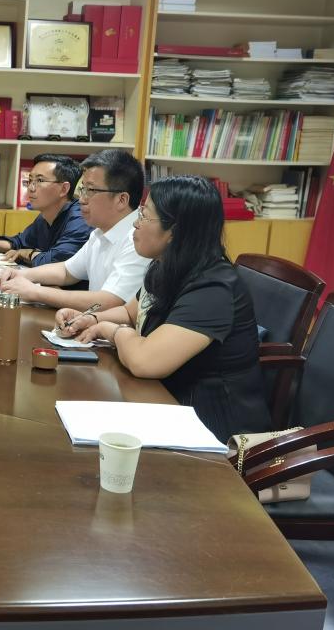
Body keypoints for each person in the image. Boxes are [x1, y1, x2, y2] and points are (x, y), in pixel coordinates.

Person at [56, 175, 271, 442]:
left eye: (144, 215)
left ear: (175, 231)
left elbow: (144, 362)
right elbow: (132, 313)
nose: (135, 223)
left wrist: (113, 332)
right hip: (165, 401)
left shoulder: (213, 287)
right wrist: (90, 319)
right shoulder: (165, 264)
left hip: (213, 428)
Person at [0, 149, 149, 311]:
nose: (81, 199)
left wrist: (35, 292)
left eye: (90, 190)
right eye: (82, 189)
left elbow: (110, 301)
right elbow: (66, 271)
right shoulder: (100, 232)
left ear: (121, 199)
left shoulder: (139, 238)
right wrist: (20, 274)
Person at [0, 154, 91, 266]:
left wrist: (28, 254)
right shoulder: (45, 216)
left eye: (40, 180)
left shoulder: (81, 218)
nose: (30, 188)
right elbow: (21, 242)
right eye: (30, 180)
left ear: (64, 189)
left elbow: (57, 261)